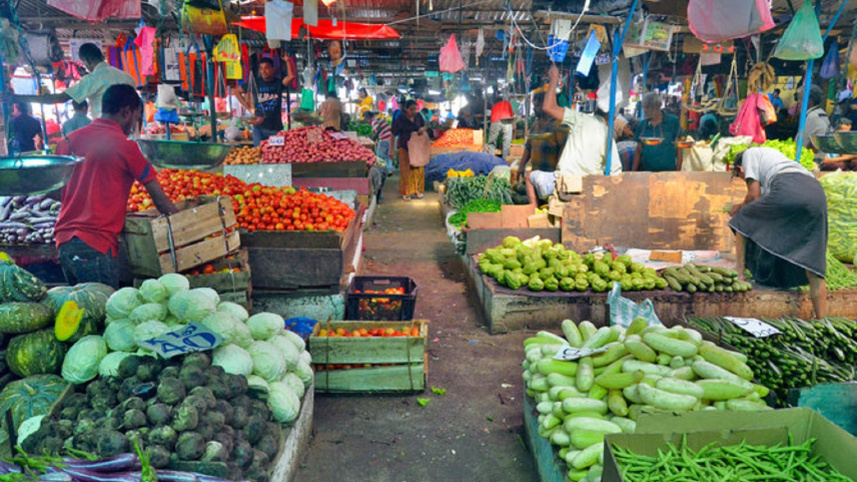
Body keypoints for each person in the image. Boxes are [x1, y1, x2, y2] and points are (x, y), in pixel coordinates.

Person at [54, 84, 178, 288]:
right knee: (103, 314)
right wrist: (184, 222)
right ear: (126, 111)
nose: (134, 125)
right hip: (97, 244)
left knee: (80, 314)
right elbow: (159, 198)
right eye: (137, 117)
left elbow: (54, 192)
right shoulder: (127, 147)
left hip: (64, 242)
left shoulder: (67, 142)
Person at [728, 147, 827, 317]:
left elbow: (754, 195)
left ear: (740, 169)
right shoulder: (778, 160)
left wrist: (738, 207)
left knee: (741, 219)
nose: (745, 178)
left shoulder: (749, 155)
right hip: (816, 193)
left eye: (741, 177)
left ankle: (740, 272)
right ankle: (822, 320)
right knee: (814, 267)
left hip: (789, 188)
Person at [7, 43, 134, 121]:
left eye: (84, 64)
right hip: (130, 136)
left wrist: (18, 98)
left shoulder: (92, 79)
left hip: (107, 137)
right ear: (101, 56)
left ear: (86, 61)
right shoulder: (128, 78)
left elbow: (59, 98)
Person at [541, 65, 621, 177]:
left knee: (531, 176)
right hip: (589, 184)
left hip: (565, 179)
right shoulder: (607, 134)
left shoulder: (580, 119)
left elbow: (548, 107)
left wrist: (554, 78)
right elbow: (615, 170)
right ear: (612, 118)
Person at [517, 92, 569, 205]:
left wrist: (558, 170)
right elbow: (528, 147)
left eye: (538, 106)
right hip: (536, 173)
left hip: (550, 174)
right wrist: (521, 166)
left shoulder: (559, 125)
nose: (535, 109)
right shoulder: (535, 125)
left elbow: (563, 148)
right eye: (534, 105)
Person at [234, 56, 295, 146]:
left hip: (275, 128)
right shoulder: (255, 82)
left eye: (266, 68)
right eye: (261, 68)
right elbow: (237, 91)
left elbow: (291, 76)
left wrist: (287, 61)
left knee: (275, 155)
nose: (263, 71)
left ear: (273, 69)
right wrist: (248, 107)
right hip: (258, 129)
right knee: (258, 154)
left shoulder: (278, 83)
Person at [632, 92, 682, 171]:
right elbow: (638, 151)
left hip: (668, 173)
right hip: (648, 173)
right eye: (644, 107)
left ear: (657, 107)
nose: (645, 111)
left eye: (648, 107)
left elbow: (679, 147)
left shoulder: (673, 121)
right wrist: (633, 172)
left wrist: (678, 170)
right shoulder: (642, 125)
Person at [391, 99, 429, 200]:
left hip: (416, 147)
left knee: (417, 169)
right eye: (411, 109)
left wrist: (422, 129)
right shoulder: (400, 119)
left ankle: (417, 190)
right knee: (406, 169)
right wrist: (391, 150)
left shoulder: (418, 117)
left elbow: (425, 126)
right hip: (404, 146)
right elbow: (393, 134)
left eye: (415, 109)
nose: (413, 111)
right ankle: (406, 192)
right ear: (406, 109)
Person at [801, 85, 831, 166]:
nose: (799, 102)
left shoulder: (812, 116)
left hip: (813, 160)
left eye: (801, 99)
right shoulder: (820, 113)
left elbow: (803, 142)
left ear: (810, 101)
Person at [486, 94, 515, 159]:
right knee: (506, 141)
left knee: (492, 142)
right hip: (506, 121)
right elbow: (512, 115)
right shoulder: (507, 103)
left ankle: (491, 158)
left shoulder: (494, 107)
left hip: (495, 121)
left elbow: (491, 117)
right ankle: (505, 159)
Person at [370, 111, 395, 176]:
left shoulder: (374, 121)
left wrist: (373, 139)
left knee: (379, 156)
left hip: (384, 139)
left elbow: (379, 129)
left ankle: (381, 171)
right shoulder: (378, 119)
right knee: (388, 155)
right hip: (390, 138)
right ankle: (389, 170)